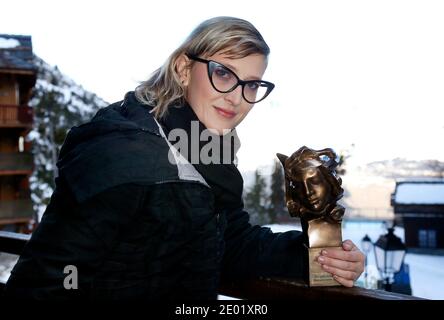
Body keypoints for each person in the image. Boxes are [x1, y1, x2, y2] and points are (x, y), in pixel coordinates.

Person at [5, 16, 364, 300]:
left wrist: (317, 257)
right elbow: (51, 281)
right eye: (223, 72)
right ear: (182, 68)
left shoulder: (206, 150)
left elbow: (231, 242)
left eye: (252, 84)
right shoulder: (124, 156)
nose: (237, 97)